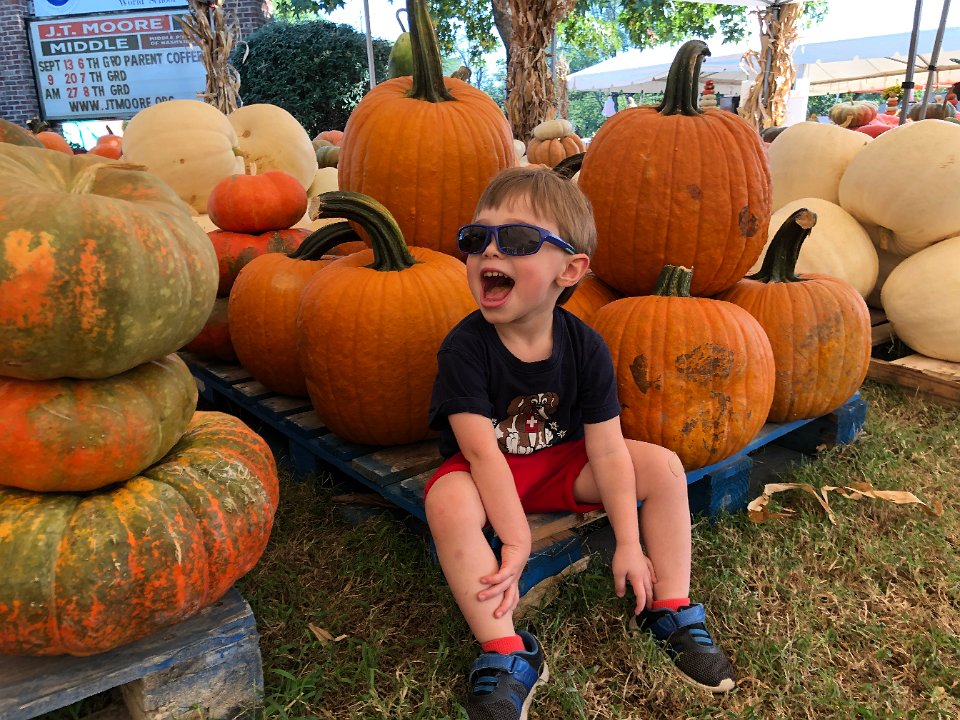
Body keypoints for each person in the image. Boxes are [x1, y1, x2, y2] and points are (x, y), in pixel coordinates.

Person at [425, 166, 736, 720]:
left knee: (663, 467)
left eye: (516, 239)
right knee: (446, 501)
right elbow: (480, 452)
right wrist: (515, 539)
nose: (489, 250)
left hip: (564, 465)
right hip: (489, 472)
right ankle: (507, 651)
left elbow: (608, 450)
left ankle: (669, 604)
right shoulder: (464, 348)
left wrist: (628, 542)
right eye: (477, 237)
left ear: (569, 270)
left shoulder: (586, 346)